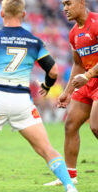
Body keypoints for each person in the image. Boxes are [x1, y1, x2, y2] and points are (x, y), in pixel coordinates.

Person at [0, 0, 78, 192]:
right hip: (22, 102)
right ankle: (69, 186)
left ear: (1, 14)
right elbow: (54, 71)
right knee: (46, 149)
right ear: (24, 15)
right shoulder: (34, 41)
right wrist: (47, 86)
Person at [44, 0, 98, 187]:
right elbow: (78, 63)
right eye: (63, 4)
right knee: (70, 125)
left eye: (68, 3)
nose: (64, 8)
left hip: (94, 78)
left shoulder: (97, 23)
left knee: (96, 126)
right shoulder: (74, 33)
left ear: (81, 3)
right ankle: (69, 177)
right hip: (87, 81)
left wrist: (88, 75)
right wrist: (67, 92)